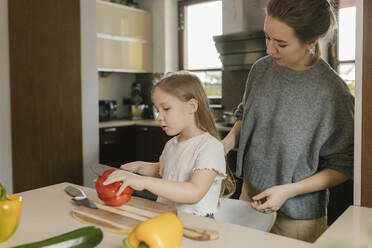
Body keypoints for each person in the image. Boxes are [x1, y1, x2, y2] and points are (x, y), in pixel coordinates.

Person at [222, 0, 354, 243]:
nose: (270, 50)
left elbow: (344, 165)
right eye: (267, 37)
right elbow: (246, 116)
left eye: (281, 43)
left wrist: (287, 191)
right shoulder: (261, 70)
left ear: (310, 41)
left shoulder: (333, 93)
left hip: (297, 216)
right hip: (249, 198)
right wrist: (227, 143)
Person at [104, 72, 235, 218]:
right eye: (157, 111)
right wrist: (139, 167)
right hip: (167, 216)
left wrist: (143, 182)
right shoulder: (172, 144)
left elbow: (194, 192)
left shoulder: (210, 147)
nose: (159, 117)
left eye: (166, 109)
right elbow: (167, 170)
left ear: (191, 106)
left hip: (197, 223)